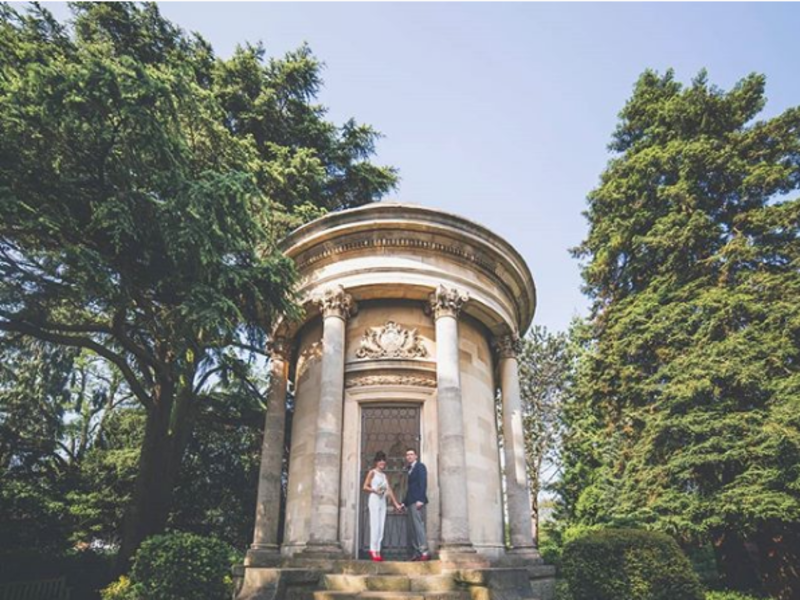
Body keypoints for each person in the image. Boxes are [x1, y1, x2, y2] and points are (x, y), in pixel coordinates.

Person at [362, 451, 402, 562]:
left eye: (383, 461)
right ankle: (373, 550)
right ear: (376, 462)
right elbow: (365, 486)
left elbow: (389, 490)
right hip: (374, 499)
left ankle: (378, 550)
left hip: (382, 500)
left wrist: (396, 504)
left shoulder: (384, 476)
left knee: (381, 525)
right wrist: (375, 490)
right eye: (380, 460)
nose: (382, 462)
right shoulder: (372, 472)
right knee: (374, 524)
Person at [400, 448, 430, 561]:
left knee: (418, 526)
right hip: (411, 502)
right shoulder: (409, 469)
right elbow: (410, 489)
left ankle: (424, 551)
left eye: (411, 454)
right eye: (407, 455)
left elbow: (423, 483)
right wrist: (404, 503)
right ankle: (416, 553)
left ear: (416, 456)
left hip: (418, 502)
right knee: (412, 528)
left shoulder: (420, 467)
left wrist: (421, 499)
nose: (409, 457)